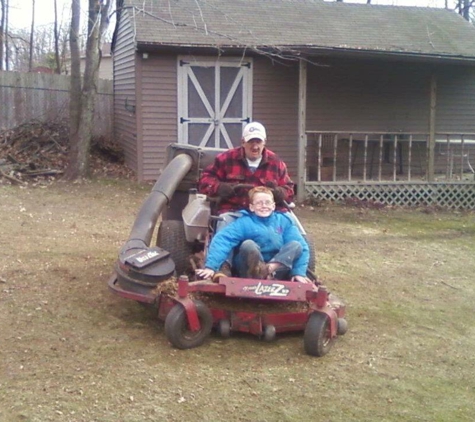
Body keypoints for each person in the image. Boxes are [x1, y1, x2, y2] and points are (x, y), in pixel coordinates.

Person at [196, 187, 311, 284]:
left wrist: (299, 272)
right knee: (248, 244)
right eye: (259, 203)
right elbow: (223, 240)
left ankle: (268, 270)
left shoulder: (284, 221)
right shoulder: (244, 222)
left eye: (267, 203)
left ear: (273, 206)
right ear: (251, 207)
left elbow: (303, 248)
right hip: (248, 269)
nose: (263, 206)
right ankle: (260, 273)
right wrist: (211, 266)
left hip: (278, 269)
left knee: (296, 245)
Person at [198, 121, 295, 217]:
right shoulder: (225, 159)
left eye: (258, 142)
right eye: (251, 142)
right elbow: (204, 180)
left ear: (264, 142)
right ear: (243, 142)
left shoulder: (276, 163)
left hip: (268, 214)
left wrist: (281, 193)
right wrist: (219, 187)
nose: (255, 146)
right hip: (234, 212)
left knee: (290, 226)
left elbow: (289, 188)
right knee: (225, 224)